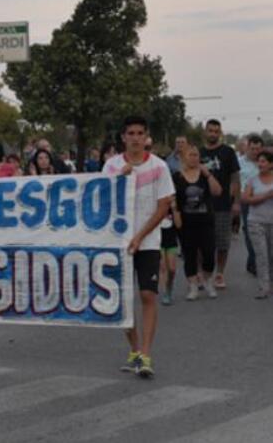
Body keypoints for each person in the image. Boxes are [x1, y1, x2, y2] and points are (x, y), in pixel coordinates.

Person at [103, 116, 174, 379]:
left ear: (146, 137)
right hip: (119, 243)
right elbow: (100, 201)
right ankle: (133, 350)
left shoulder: (160, 167)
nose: (135, 137)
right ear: (123, 137)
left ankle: (146, 353)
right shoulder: (111, 166)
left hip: (148, 242)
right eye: (130, 133)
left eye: (140, 133)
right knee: (123, 300)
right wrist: (118, 181)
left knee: (147, 295)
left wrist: (141, 236)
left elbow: (164, 205)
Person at [173, 145, 223, 301]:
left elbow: (217, 192)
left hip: (206, 221)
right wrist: (175, 214)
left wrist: (208, 175)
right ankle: (193, 286)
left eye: (196, 155)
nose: (194, 158)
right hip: (186, 223)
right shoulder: (177, 176)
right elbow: (172, 198)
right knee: (189, 255)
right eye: (190, 155)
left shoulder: (205, 174)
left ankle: (207, 280)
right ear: (183, 157)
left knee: (209, 253)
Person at [200, 119, 241, 290]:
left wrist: (236, 202)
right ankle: (202, 274)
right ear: (205, 132)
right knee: (201, 244)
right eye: (210, 131)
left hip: (223, 204)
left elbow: (235, 178)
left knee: (222, 244)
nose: (213, 134)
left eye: (216, 131)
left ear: (220, 133)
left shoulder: (228, 152)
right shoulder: (198, 152)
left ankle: (219, 274)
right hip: (200, 206)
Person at [242, 151, 273, 299]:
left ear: (271, 164)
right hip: (256, 222)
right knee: (261, 255)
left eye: (264, 162)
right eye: (259, 162)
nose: (260, 164)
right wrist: (266, 196)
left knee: (271, 255)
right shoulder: (252, 180)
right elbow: (246, 199)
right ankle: (264, 287)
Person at [239, 135, 264, 276]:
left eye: (258, 149)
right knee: (250, 233)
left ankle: (253, 261)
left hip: (265, 201)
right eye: (252, 148)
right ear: (247, 147)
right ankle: (255, 262)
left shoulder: (266, 162)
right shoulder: (240, 162)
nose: (255, 151)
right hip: (247, 201)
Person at [158, 203, 181, 306]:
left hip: (171, 241)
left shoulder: (174, 208)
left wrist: (174, 208)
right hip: (158, 241)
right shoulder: (157, 207)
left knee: (172, 268)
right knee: (163, 267)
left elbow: (179, 224)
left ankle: (169, 286)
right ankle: (166, 293)